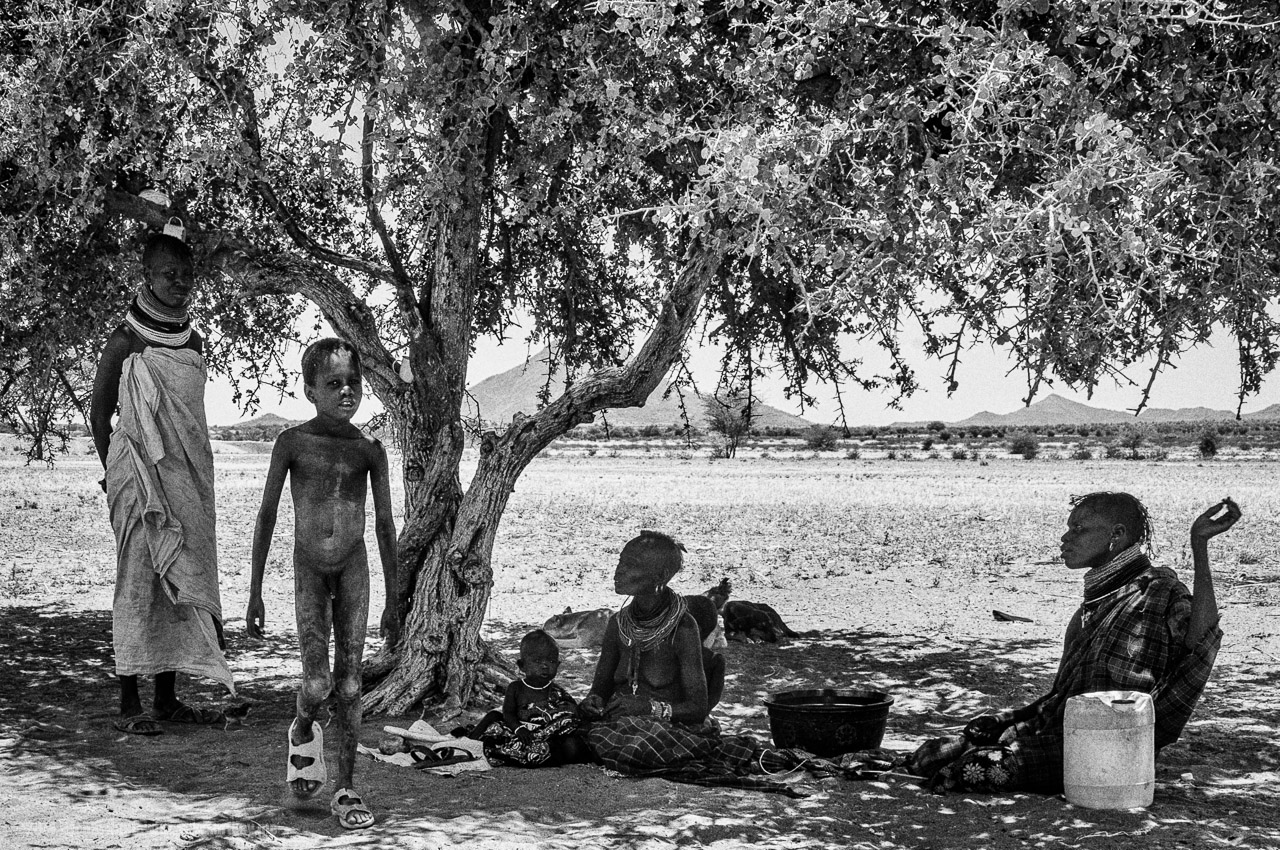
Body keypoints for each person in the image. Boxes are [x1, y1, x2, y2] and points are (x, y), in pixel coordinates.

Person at [906, 492, 1240, 793]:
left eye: (1079, 529)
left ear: (1117, 535)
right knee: (940, 752)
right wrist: (1011, 719)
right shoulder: (1097, 603)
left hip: (1109, 747)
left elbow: (1201, 642)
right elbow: (1060, 697)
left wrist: (1199, 545)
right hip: (1056, 730)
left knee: (973, 768)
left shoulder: (1157, 591)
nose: (1066, 538)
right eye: (1069, 528)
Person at [246, 338, 398, 830]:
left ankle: (347, 787)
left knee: (351, 684)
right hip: (309, 568)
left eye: (353, 382)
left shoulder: (369, 451)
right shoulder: (292, 443)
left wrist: (393, 599)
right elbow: (267, 514)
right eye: (333, 383)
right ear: (310, 389)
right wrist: (255, 590)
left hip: (353, 568)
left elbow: (384, 526)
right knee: (317, 683)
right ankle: (304, 724)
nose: (347, 391)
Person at [90, 232, 233, 736]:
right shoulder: (125, 339)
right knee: (137, 580)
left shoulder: (192, 342)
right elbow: (99, 412)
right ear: (147, 276)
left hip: (184, 478)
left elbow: (187, 419)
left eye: (187, 275)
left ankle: (167, 698)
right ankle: (130, 702)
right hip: (135, 481)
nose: (180, 283)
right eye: (169, 274)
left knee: (177, 580)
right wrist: (118, 474)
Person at [468, 629, 588, 767]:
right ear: (522, 666)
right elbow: (508, 714)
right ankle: (470, 741)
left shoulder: (557, 692)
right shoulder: (515, 688)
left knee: (570, 744)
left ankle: (538, 756)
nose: (545, 666)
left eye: (551, 661)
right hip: (517, 732)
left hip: (544, 737)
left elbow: (570, 714)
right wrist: (519, 729)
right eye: (537, 661)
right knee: (493, 717)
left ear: (558, 665)